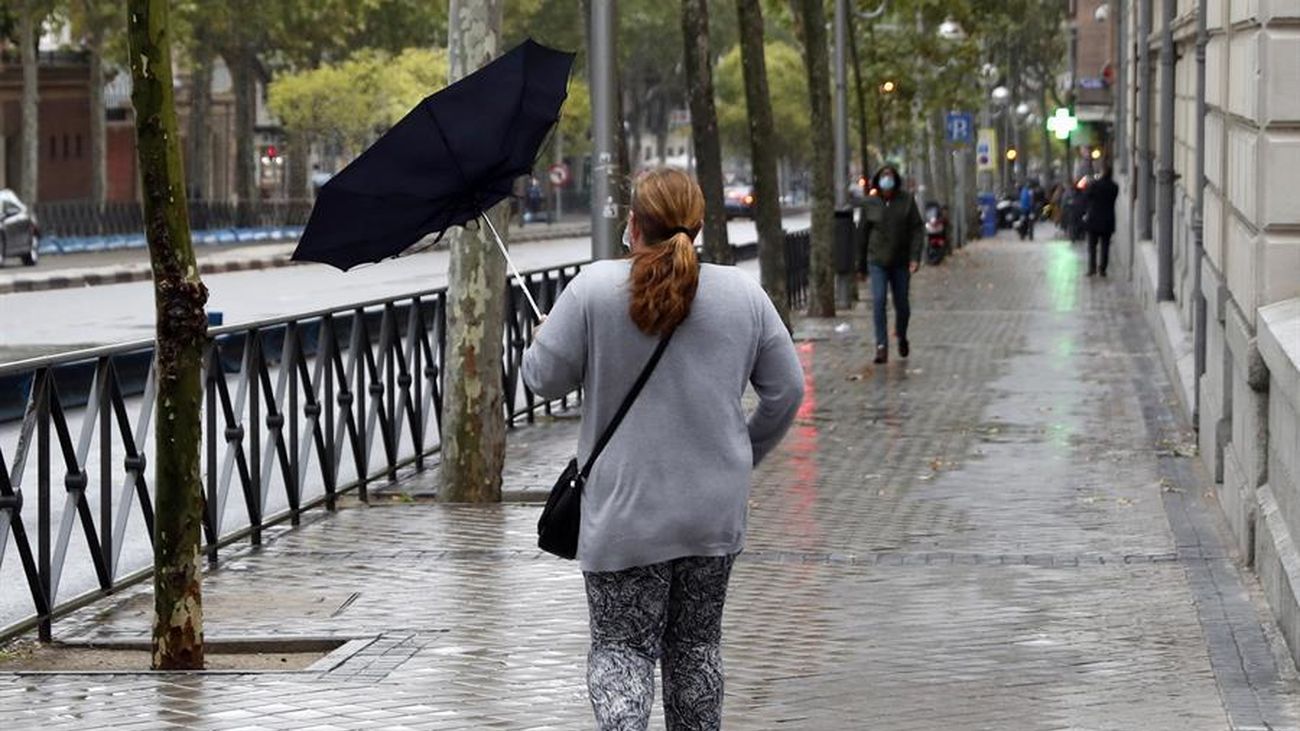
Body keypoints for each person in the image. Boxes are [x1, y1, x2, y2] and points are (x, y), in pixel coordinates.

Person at [522, 167, 804, 730]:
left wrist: (544, 334)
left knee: (621, 649)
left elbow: (541, 380)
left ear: (633, 225)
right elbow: (788, 390)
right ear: (698, 225)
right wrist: (740, 453)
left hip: (625, 511)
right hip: (712, 511)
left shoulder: (594, 289)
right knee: (696, 649)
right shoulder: (743, 293)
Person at [864, 164, 924, 364]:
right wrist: (860, 265)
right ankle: (881, 346)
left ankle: (901, 335)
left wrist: (915, 257)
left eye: (890, 176)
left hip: (900, 261)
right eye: (883, 176)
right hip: (877, 261)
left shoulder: (906, 201)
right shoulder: (871, 203)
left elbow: (917, 229)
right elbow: (862, 234)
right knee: (879, 301)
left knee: (902, 304)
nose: (886, 180)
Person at [1084, 166, 1119, 276]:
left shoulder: (1095, 185)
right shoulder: (1114, 187)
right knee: (1105, 246)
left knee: (1092, 246)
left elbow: (1087, 196)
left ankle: (1092, 268)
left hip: (1094, 220)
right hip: (1108, 220)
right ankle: (1102, 269)